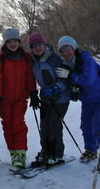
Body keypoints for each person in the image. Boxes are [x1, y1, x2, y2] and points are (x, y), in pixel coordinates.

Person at [55, 35, 100, 171]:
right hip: (88, 101)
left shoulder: (87, 60)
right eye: (62, 50)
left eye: (67, 48)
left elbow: (88, 80)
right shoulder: (66, 65)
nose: (65, 52)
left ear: (74, 47)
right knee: (86, 126)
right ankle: (91, 150)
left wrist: (70, 75)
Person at [0, 28, 37, 168]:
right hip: (5, 99)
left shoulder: (26, 57)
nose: (13, 44)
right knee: (7, 126)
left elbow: (29, 76)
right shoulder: (1, 59)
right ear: (5, 43)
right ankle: (13, 152)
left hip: (20, 99)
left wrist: (33, 93)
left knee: (18, 124)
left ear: (19, 41)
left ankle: (21, 153)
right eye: (9, 41)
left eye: (15, 41)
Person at [28, 33, 70, 167]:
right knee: (44, 126)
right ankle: (46, 151)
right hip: (46, 98)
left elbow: (65, 79)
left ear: (44, 44)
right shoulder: (33, 61)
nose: (37, 47)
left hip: (61, 97)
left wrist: (54, 89)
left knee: (54, 124)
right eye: (33, 46)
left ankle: (57, 154)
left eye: (39, 44)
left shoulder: (54, 59)